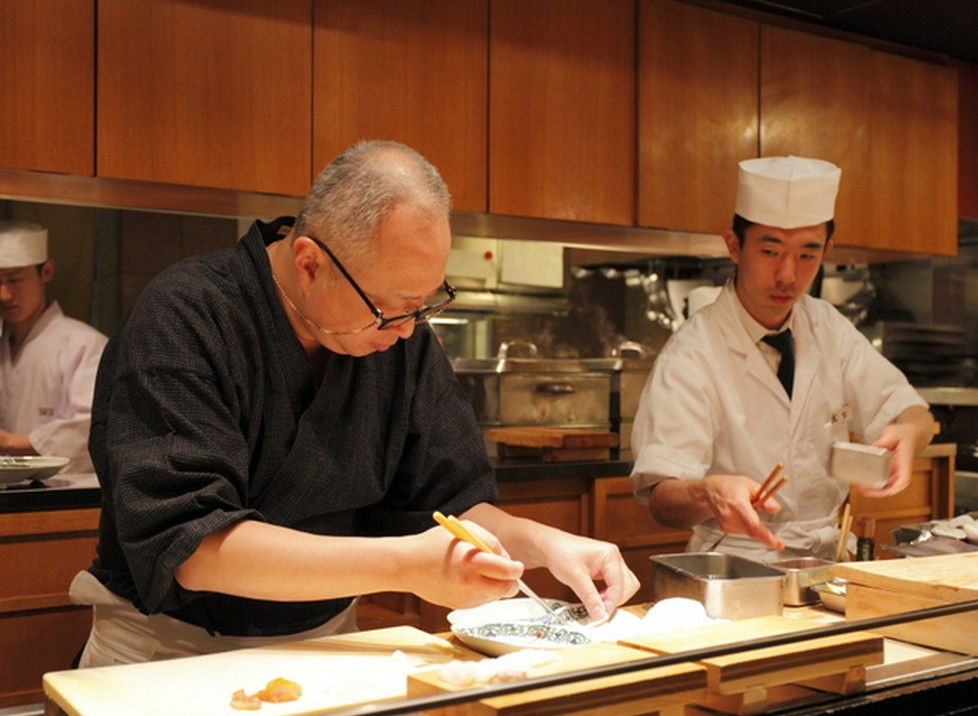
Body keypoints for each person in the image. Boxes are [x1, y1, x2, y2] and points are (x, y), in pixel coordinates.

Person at [73, 140, 639, 667]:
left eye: (425, 304)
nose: (408, 328)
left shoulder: (399, 338)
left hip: (332, 642)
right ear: (309, 263)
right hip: (166, 650)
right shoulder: (185, 316)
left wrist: (546, 543)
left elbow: (453, 505)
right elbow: (194, 547)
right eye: (393, 307)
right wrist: (407, 565)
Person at [629, 156, 935, 561]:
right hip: (736, 562)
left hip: (827, 560)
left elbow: (914, 415)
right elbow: (663, 500)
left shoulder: (828, 326)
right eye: (770, 250)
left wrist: (910, 435)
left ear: (827, 249)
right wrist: (709, 492)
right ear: (735, 246)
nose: (787, 275)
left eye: (807, 255)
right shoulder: (693, 353)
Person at [0, 221, 107, 475]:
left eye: (14, 279)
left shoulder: (85, 344)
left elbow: (91, 429)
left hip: (65, 496)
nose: (4, 294)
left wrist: (8, 442)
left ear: (46, 271)